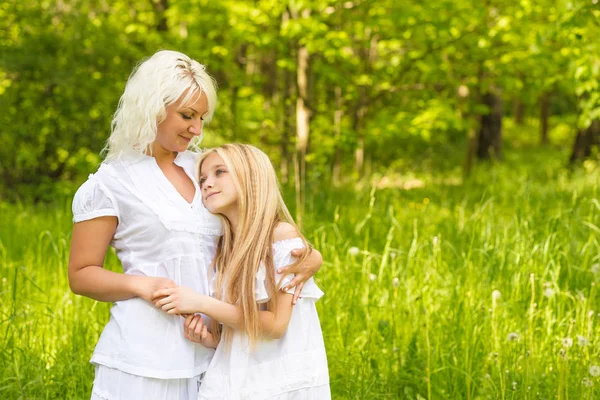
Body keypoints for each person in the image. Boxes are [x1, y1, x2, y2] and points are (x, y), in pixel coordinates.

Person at [68, 51, 322, 400]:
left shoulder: (203, 167)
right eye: (187, 115)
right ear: (152, 107)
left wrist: (309, 256)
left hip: (218, 352)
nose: (196, 129)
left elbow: (255, 227)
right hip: (145, 358)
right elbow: (81, 274)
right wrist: (143, 286)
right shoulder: (110, 184)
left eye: (201, 118)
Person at [152, 144, 330, 399]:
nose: (207, 184)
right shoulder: (225, 248)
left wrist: (201, 303)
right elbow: (244, 325)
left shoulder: (280, 237)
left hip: (276, 381)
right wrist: (214, 340)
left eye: (220, 172)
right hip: (236, 377)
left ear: (252, 176)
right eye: (202, 179)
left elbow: (276, 325)